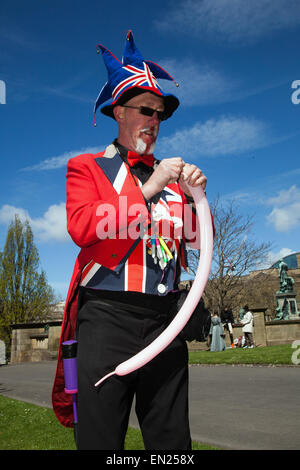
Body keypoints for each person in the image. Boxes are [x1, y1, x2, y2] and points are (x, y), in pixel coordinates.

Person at [51, 31, 210, 450]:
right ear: (120, 112)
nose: (154, 121)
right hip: (106, 318)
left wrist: (197, 198)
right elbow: (85, 227)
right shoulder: (86, 168)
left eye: (160, 114)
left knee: (173, 443)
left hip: (165, 320)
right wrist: (149, 188)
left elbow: (194, 242)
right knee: (101, 440)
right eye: (146, 110)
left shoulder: (174, 181)